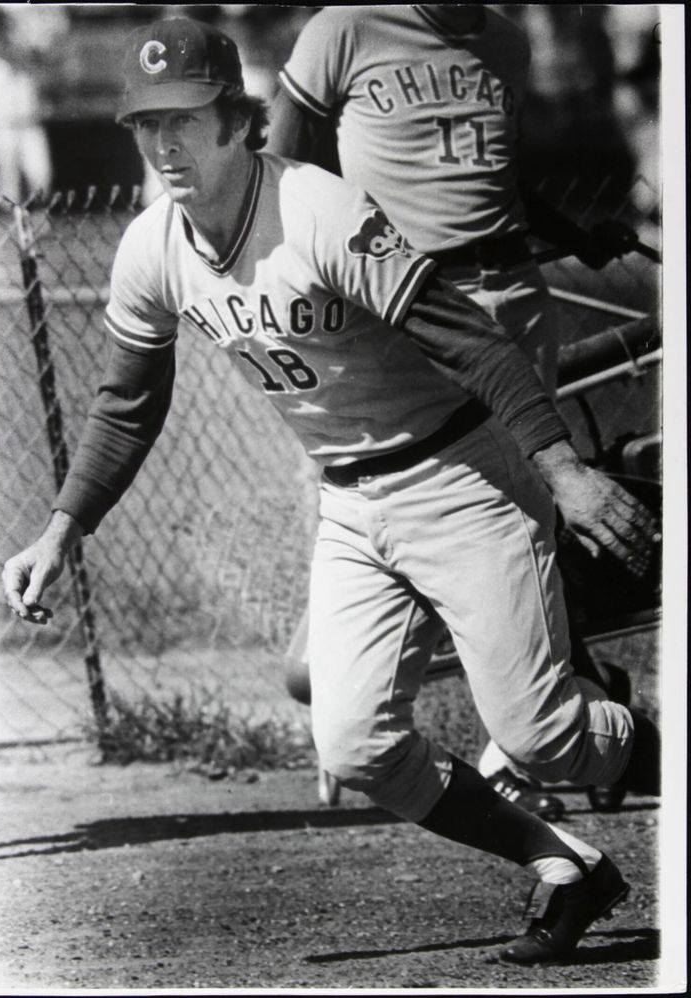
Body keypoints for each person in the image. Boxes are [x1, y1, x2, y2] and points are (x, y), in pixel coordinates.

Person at [2, 18, 661, 965]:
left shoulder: (318, 212)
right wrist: (61, 532)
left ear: (237, 121)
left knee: (547, 735)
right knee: (357, 742)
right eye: (145, 125)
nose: (163, 145)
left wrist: (565, 470)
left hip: (461, 475)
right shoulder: (152, 250)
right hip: (351, 506)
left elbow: (471, 341)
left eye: (185, 121)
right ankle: (568, 868)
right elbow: (124, 406)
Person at [266, 3, 642, 818]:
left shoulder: (503, 40)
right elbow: (282, 167)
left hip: (513, 291)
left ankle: (530, 739)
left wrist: (573, 233)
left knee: (524, 516)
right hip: (410, 305)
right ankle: (485, 721)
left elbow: (490, 182)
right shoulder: (345, 29)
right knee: (432, 505)